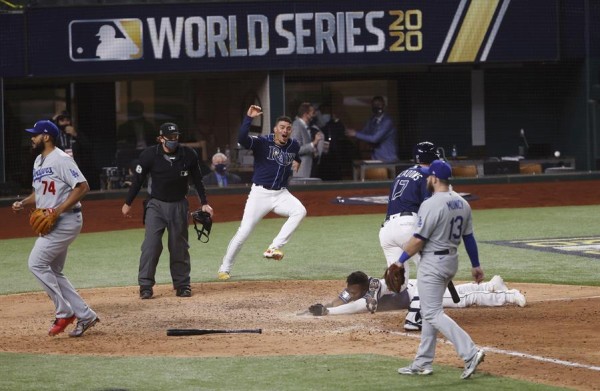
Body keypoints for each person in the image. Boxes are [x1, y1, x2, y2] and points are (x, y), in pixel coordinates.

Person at [390, 159, 485, 379]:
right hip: (451, 261)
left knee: (432, 312)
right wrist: (476, 265)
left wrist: (399, 261)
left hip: (433, 264)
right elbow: (469, 237)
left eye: (427, 176)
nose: (426, 179)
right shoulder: (462, 202)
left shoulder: (431, 204)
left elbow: (417, 240)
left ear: (433, 178)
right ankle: (422, 363)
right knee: (429, 310)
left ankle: (470, 353)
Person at [11, 120, 99, 337]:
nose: (32, 138)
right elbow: (40, 194)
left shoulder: (61, 159)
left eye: (35, 134)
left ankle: (64, 312)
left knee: (36, 263)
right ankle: (85, 315)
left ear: (47, 136)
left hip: (66, 220)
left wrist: (57, 211)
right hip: (57, 221)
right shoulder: (39, 162)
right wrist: (23, 203)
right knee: (54, 271)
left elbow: (83, 187)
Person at [121, 122, 213, 299]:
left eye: (176, 137)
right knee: (151, 245)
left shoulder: (188, 154)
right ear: (160, 138)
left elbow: (198, 180)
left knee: (179, 246)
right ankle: (146, 286)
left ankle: (182, 284)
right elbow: (138, 180)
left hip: (179, 204)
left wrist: (204, 202)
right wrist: (128, 202)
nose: (173, 140)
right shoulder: (149, 155)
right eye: (170, 137)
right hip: (155, 204)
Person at [217, 105, 306, 280]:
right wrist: (249, 118)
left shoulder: (293, 145)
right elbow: (242, 139)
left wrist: (298, 161)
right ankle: (224, 268)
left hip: (281, 194)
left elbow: (295, 155)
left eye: (288, 128)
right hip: (260, 194)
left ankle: (273, 248)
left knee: (300, 211)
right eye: (282, 127)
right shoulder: (262, 142)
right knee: (244, 232)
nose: (285, 130)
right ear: (275, 129)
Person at [303, 271, 526, 330]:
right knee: (459, 292)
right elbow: (341, 300)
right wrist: (320, 307)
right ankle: (491, 286)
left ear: (362, 287)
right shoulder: (355, 289)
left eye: (353, 291)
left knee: (461, 300)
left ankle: (509, 295)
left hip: (420, 291)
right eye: (349, 291)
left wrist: (328, 314)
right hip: (414, 292)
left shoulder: (372, 287)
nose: (350, 294)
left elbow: (361, 305)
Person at [379, 142, 439, 309]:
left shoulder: (402, 173)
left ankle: (374, 288)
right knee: (429, 270)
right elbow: (428, 209)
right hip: (407, 227)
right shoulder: (428, 175)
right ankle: (416, 314)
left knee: (399, 282)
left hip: (386, 230)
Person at [345, 96, 398, 162]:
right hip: (376, 159)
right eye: (374, 105)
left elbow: (375, 139)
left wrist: (355, 133)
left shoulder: (387, 121)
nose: (376, 107)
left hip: (388, 159)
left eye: (379, 104)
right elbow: (363, 133)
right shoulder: (372, 120)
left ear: (384, 106)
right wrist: (350, 133)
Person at [291, 102, 323, 178]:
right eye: (312, 113)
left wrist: (315, 151)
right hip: (301, 172)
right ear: (305, 114)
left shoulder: (307, 126)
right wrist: (313, 144)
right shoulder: (296, 126)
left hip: (309, 170)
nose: (314, 115)